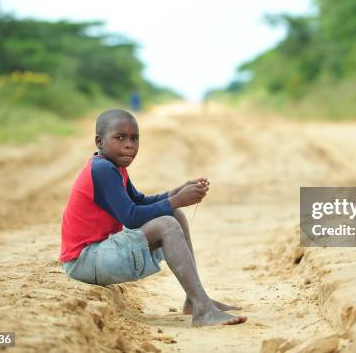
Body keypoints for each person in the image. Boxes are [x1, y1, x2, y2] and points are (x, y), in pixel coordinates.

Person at [59, 108, 246, 327]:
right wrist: (177, 200)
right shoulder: (102, 170)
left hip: (96, 254)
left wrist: (175, 193)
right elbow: (131, 217)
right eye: (120, 137)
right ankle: (204, 310)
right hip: (83, 261)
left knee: (175, 214)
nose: (129, 144)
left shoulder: (113, 167)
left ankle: (195, 300)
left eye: (134, 138)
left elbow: (138, 201)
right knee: (167, 224)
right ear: (99, 141)